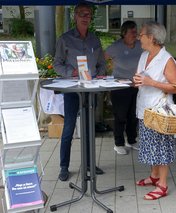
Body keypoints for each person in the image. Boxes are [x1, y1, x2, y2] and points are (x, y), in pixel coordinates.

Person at [53, 3, 106, 181]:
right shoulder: (65, 39)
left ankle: (90, 163)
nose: (85, 17)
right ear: (75, 16)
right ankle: (64, 166)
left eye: (88, 15)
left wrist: (100, 74)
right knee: (69, 128)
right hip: (73, 90)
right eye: (82, 14)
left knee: (89, 128)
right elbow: (57, 64)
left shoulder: (94, 40)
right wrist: (72, 73)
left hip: (90, 91)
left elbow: (101, 64)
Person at [133, 21, 176, 200]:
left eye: (141, 35)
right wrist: (137, 80)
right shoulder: (144, 55)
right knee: (149, 144)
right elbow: (141, 78)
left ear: (151, 38)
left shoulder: (166, 59)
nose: (139, 38)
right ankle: (153, 176)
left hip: (160, 111)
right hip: (144, 107)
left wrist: (150, 82)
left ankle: (162, 184)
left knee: (161, 147)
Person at [105, 21, 143, 155]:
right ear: (124, 33)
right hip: (120, 88)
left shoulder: (140, 45)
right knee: (120, 116)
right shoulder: (115, 47)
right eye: (132, 32)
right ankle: (118, 143)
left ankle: (132, 140)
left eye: (135, 31)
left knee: (134, 115)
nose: (135, 34)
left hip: (137, 86)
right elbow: (102, 59)